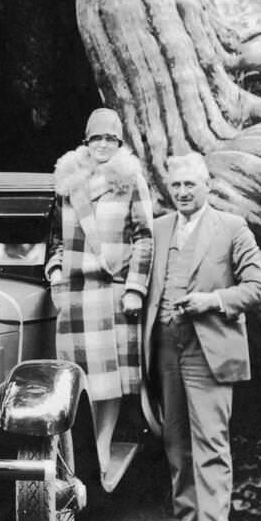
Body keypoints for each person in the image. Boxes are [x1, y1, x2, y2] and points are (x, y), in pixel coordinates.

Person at [143, 151, 261, 521]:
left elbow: (257, 286)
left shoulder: (232, 227)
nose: (181, 192)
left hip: (208, 348)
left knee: (211, 441)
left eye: (189, 185)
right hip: (164, 345)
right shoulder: (159, 229)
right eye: (175, 185)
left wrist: (213, 300)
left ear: (207, 187)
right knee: (175, 440)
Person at [46, 108, 154, 471]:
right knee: (80, 380)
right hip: (75, 295)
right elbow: (56, 239)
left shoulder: (130, 181)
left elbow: (144, 239)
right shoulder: (68, 183)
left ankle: (103, 451)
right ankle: (84, 456)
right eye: (97, 138)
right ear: (87, 142)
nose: (103, 145)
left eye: (110, 138)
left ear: (119, 143)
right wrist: (56, 270)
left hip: (111, 293)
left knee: (109, 384)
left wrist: (135, 288)